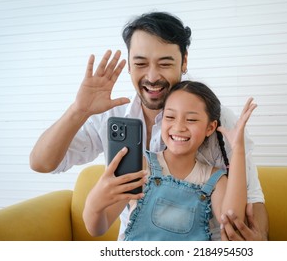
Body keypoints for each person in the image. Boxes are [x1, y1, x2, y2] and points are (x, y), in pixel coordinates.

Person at [29, 11, 268, 241]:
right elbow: (42, 163)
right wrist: (78, 111)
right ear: (130, 65)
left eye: (165, 63)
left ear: (184, 62)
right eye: (141, 63)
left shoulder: (218, 120)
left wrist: (259, 243)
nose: (152, 77)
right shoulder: (110, 117)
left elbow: (251, 197)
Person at [82, 81, 255, 240]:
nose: (179, 127)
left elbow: (232, 224)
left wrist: (238, 149)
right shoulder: (140, 167)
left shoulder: (215, 180)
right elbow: (98, 228)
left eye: (191, 119)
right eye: (170, 117)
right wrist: (93, 204)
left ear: (210, 128)